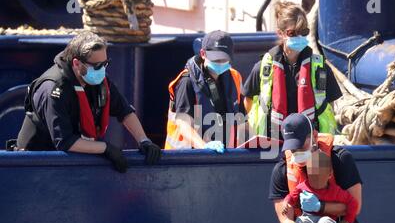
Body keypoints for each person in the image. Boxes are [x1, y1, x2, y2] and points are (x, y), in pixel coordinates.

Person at [15, 31, 160, 172]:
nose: (102, 70)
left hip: (73, 162)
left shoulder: (99, 80)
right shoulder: (54, 89)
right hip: (36, 164)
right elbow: (65, 141)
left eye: (105, 64)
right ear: (77, 64)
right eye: (97, 66)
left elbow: (124, 111)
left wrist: (144, 140)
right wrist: (106, 148)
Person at [269, 113, 363, 223]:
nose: (297, 152)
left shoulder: (339, 159)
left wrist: (320, 207)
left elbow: (355, 205)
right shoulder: (282, 170)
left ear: (314, 136)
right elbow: (286, 221)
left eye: (301, 146)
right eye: (293, 148)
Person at [243, 1, 341, 138]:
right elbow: (248, 100)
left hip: (309, 142)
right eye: (293, 33)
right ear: (281, 33)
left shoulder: (320, 68)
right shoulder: (263, 68)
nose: (299, 37)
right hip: (273, 142)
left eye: (304, 32)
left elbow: (330, 105)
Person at [164, 30, 244, 153]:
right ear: (203, 54)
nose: (220, 63)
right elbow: (183, 124)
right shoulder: (187, 81)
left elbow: (240, 118)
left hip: (223, 155)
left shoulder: (234, 77)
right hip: (185, 158)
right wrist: (204, 148)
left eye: (224, 59)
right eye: (216, 59)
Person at [283, 149, 359, 223]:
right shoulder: (303, 187)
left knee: (326, 222)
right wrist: (286, 204)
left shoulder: (335, 191)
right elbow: (291, 197)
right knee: (300, 222)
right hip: (309, 222)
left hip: (327, 221)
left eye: (320, 178)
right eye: (313, 178)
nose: (316, 183)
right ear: (308, 173)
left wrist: (347, 221)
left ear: (329, 174)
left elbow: (353, 204)